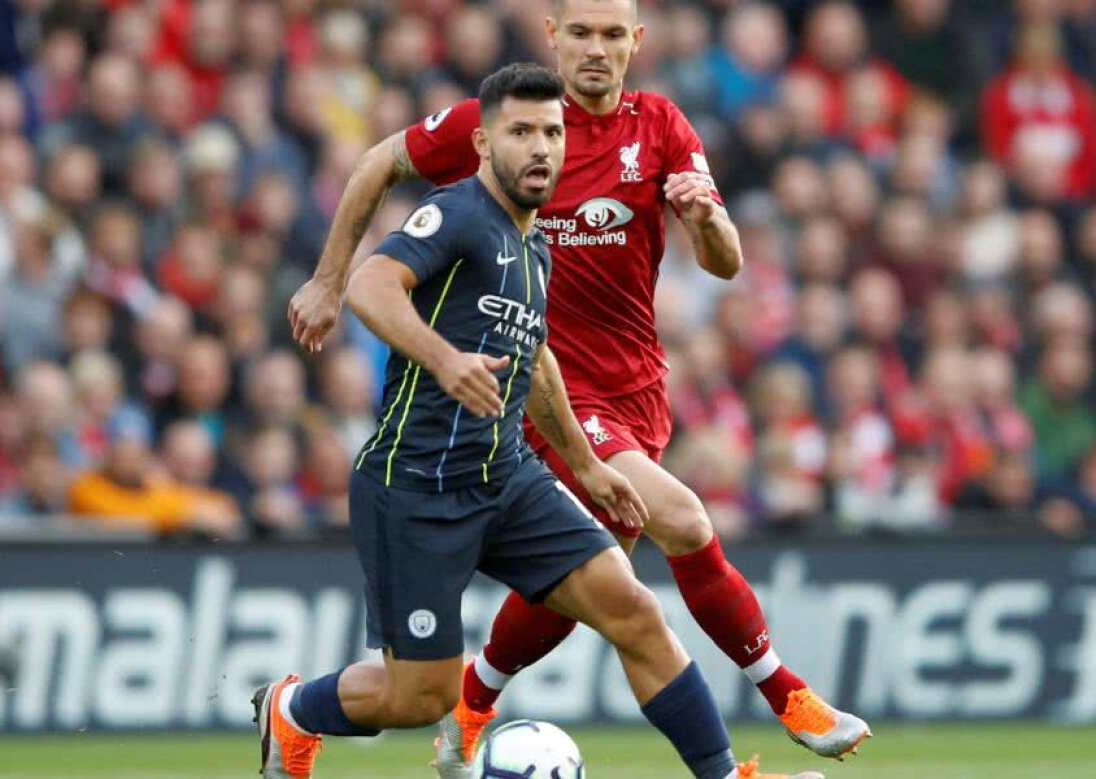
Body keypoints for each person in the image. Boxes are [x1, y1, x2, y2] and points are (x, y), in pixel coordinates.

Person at [286, 0, 870, 774]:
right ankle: (786, 695)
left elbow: (726, 261)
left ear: (636, 42)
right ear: (553, 36)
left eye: (612, 35)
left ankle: (471, 699)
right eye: (582, 33)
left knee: (605, 581)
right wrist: (328, 282)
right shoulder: (499, 124)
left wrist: (704, 222)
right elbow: (375, 168)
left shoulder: (659, 127)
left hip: (627, 389)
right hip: (534, 405)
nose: (596, 49)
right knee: (682, 522)